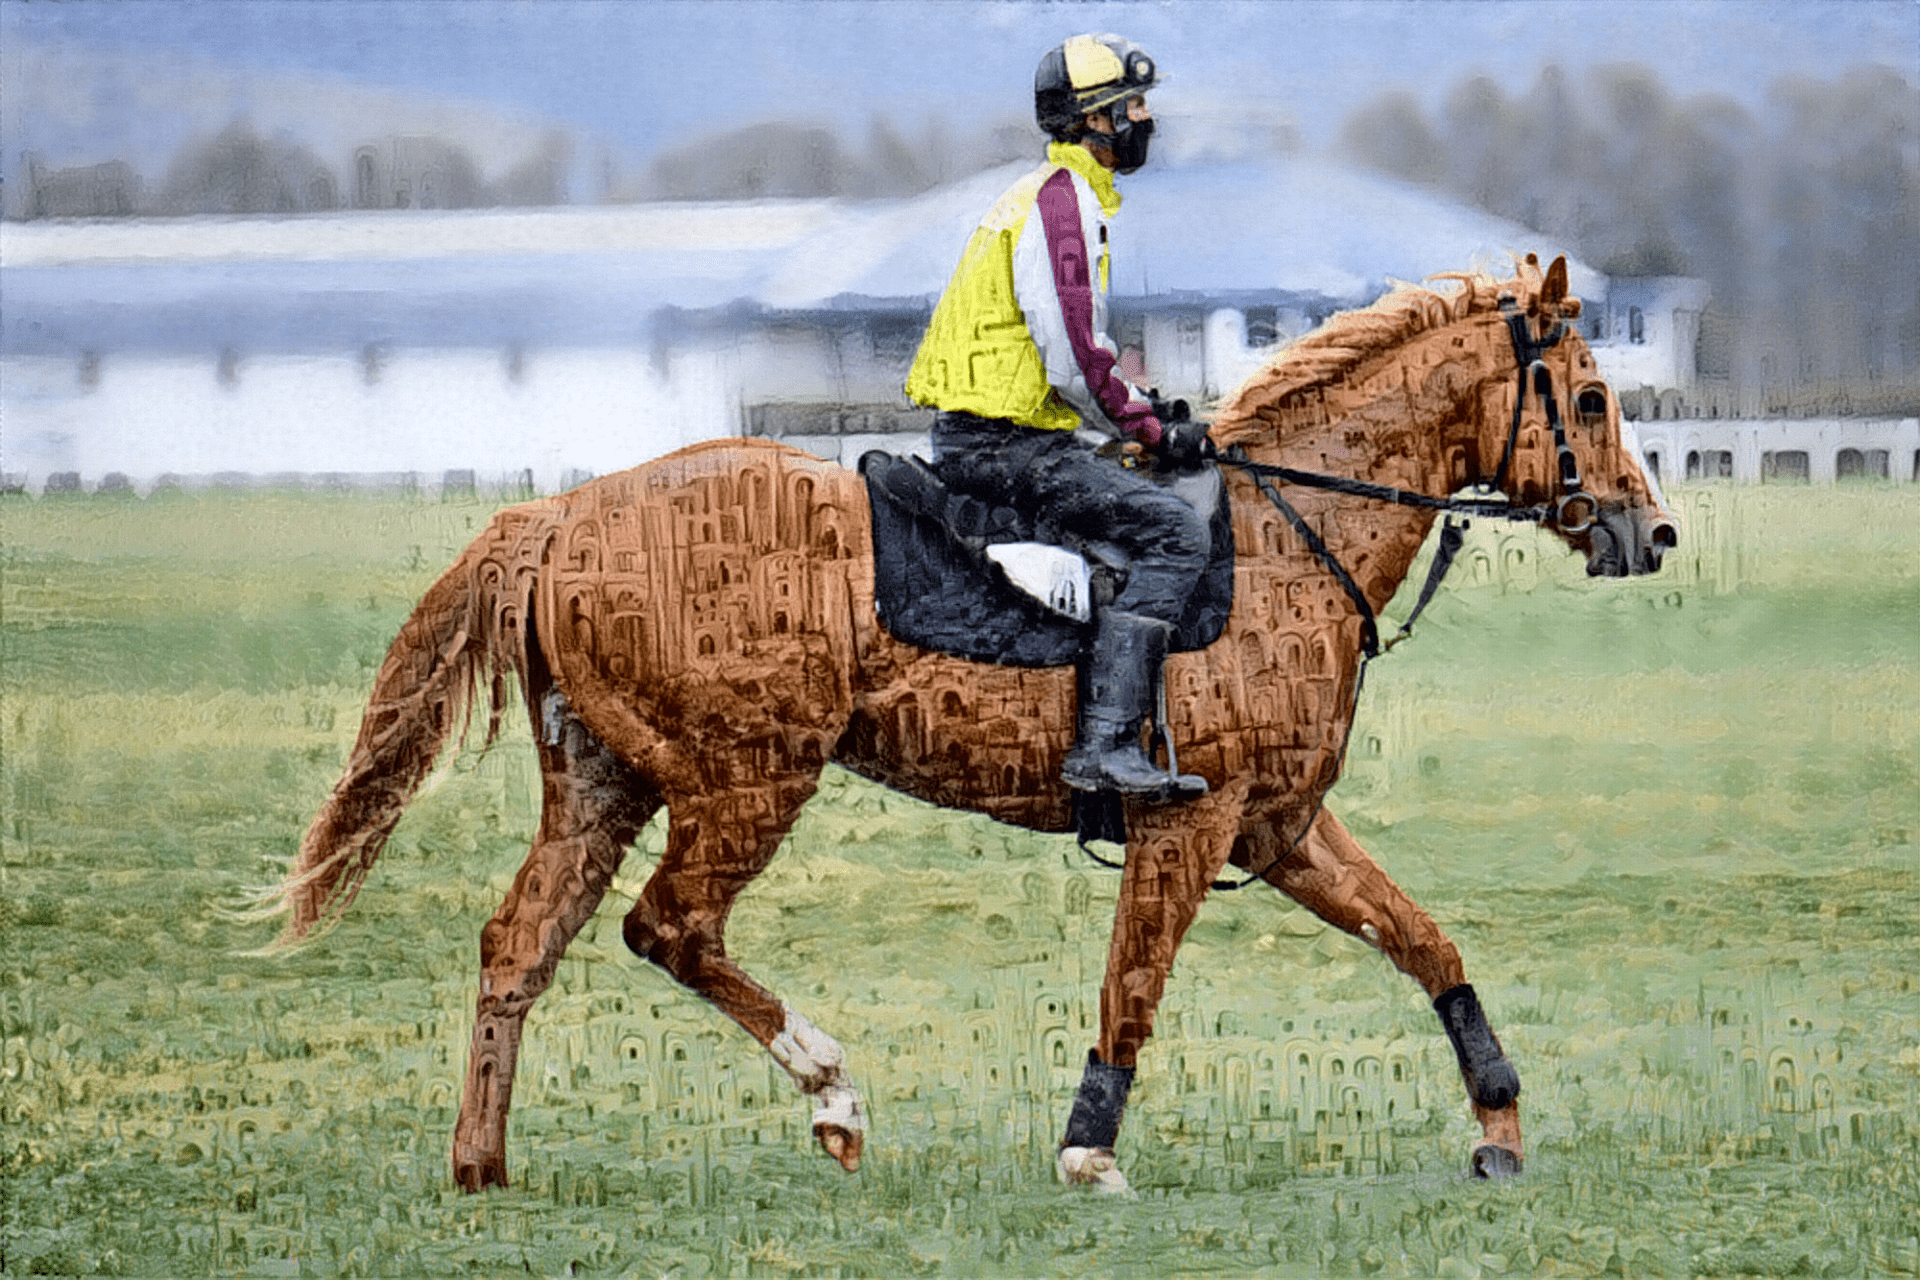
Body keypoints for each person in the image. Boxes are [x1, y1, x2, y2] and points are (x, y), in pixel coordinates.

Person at [905, 33, 1212, 804]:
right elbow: (1073, 357)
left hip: (1008, 433)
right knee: (1177, 533)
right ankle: (1105, 745)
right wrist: (1146, 430)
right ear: (1096, 120)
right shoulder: (1060, 201)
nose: (1146, 120)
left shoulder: (1065, 197)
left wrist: (1143, 413)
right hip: (1001, 445)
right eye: (1134, 107)